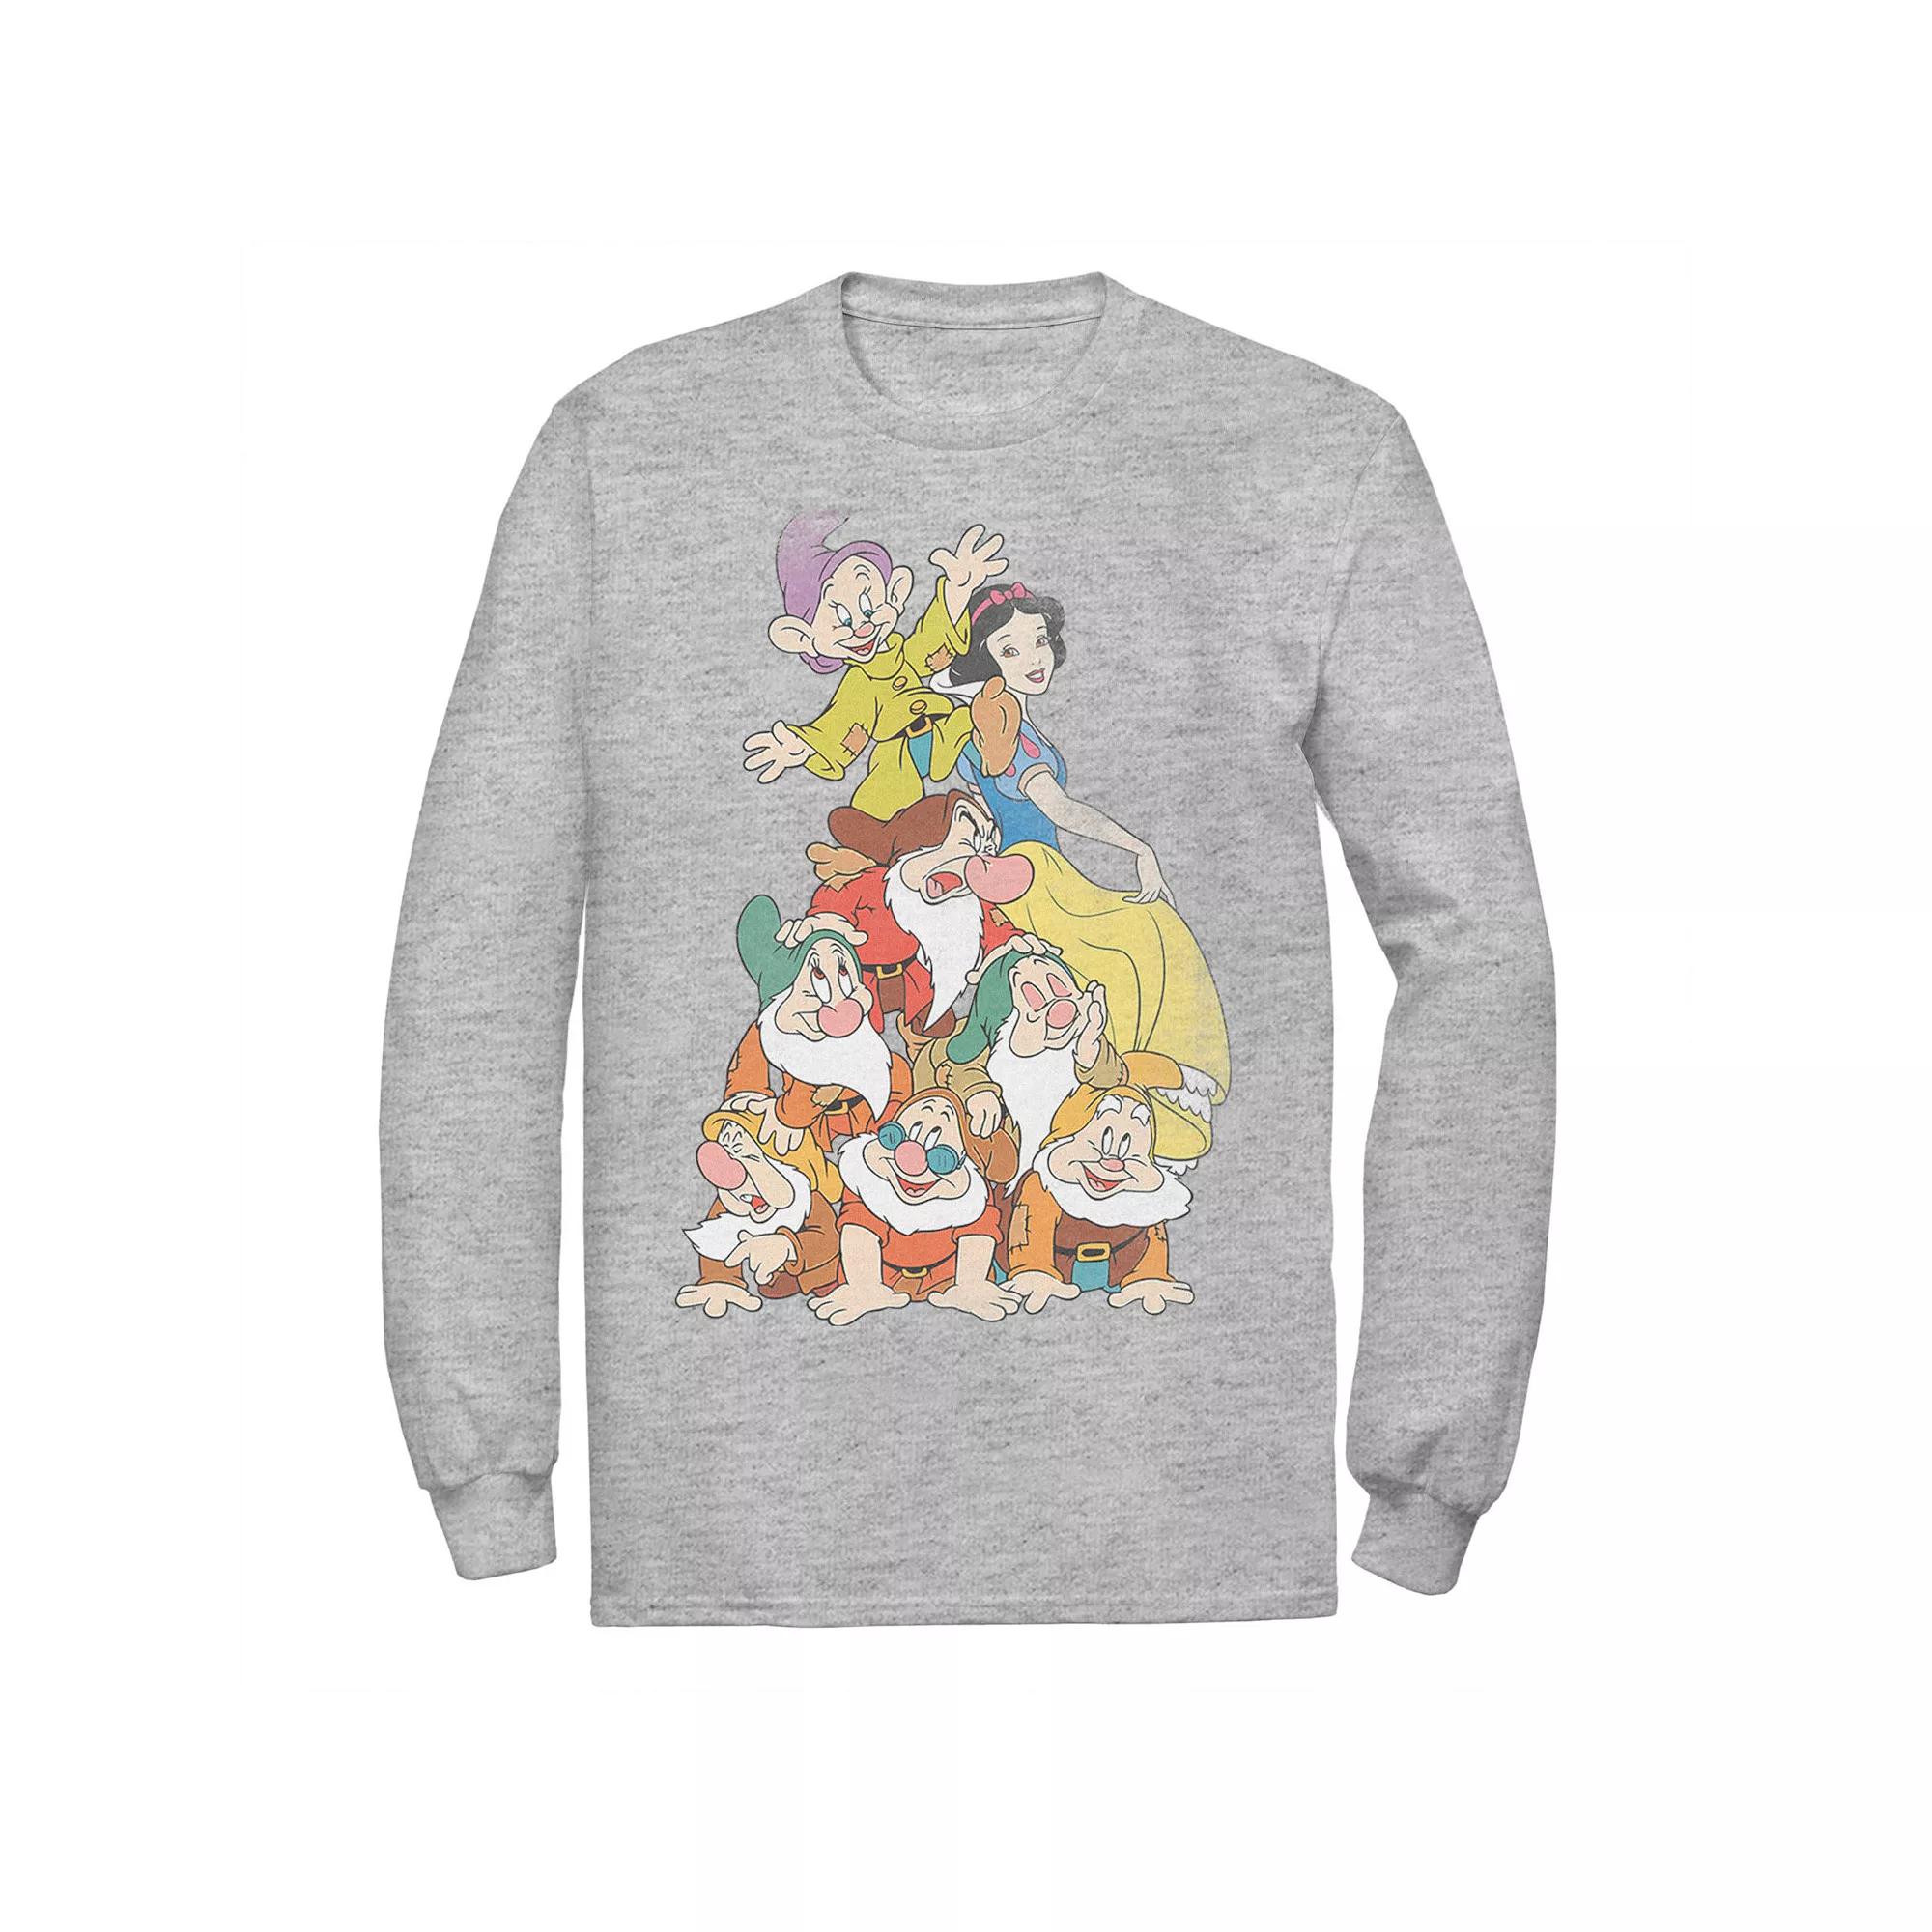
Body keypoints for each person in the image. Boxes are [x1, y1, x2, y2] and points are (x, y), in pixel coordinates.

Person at [941, 584, 1230, 1157]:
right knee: (1142, 942)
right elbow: (1061, 811)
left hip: (1031, 869)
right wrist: (1139, 848)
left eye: (1039, 641)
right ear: (986, 660)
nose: (1034, 659)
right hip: (1037, 875)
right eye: (1010, 649)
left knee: (1142, 939)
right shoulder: (1011, 739)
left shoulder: (983, 724)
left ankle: (1134, 1087)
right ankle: (1132, 1089)